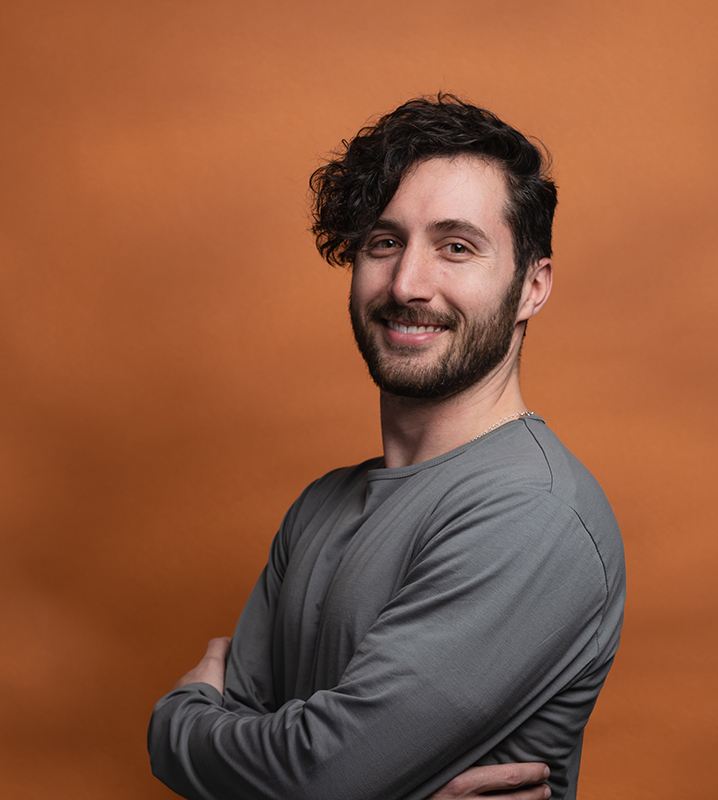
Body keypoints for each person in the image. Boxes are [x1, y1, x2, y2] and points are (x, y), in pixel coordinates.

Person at [148, 95, 625, 800]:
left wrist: (174, 724)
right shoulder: (321, 505)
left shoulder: (533, 515)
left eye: (456, 247)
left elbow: (314, 778)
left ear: (531, 286)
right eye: (384, 242)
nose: (407, 284)